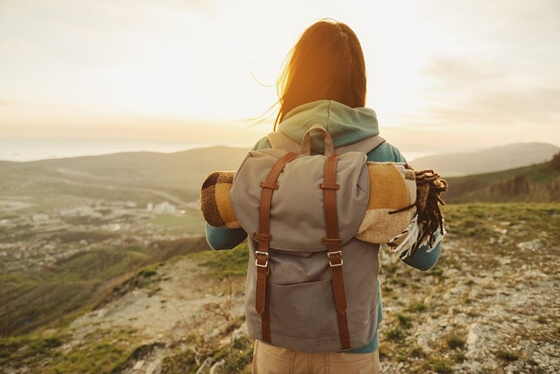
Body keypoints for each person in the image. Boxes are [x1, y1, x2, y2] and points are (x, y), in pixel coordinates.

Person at [205, 19, 442, 374]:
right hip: (353, 348)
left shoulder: (265, 153)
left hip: (276, 346)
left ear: (296, 79)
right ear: (358, 83)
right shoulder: (381, 155)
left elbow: (218, 237)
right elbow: (425, 257)